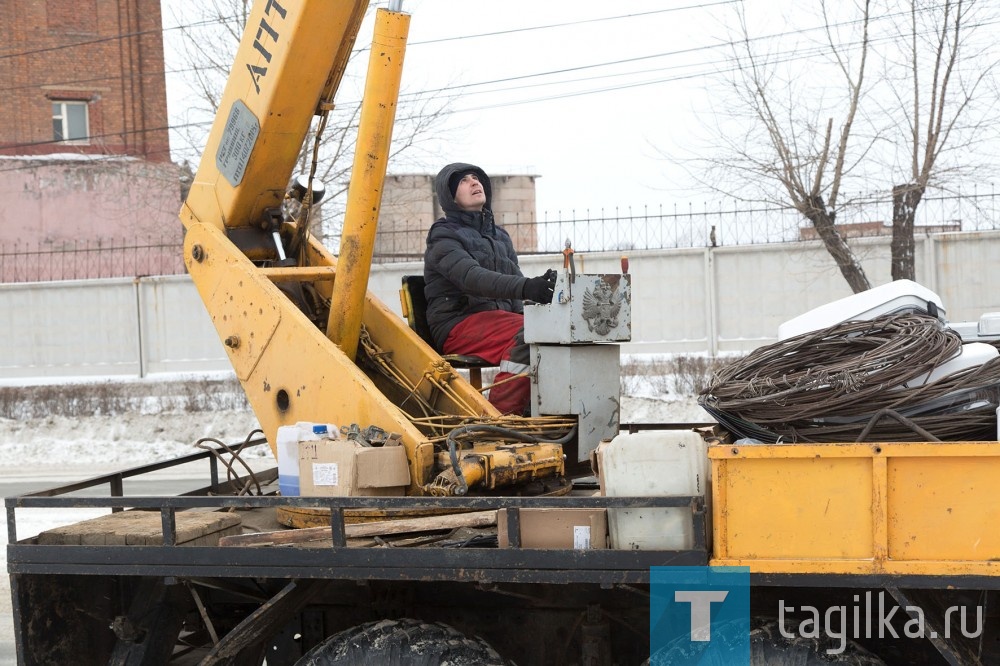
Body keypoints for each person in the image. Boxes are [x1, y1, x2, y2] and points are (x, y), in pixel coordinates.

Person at [423, 162, 556, 415]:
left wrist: (540, 304)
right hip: (459, 323)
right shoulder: (443, 236)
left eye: (476, 178)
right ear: (450, 197)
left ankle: (542, 417)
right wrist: (528, 287)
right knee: (532, 334)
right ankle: (500, 419)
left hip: (495, 321)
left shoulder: (500, 236)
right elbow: (473, 278)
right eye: (464, 181)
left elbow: (514, 288)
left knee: (552, 329)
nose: (474, 182)